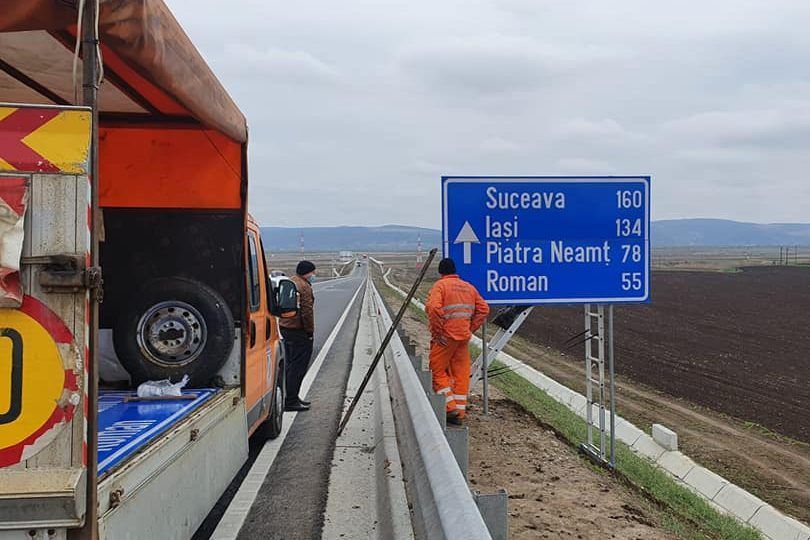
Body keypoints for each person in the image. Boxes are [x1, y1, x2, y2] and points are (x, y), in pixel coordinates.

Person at [425, 258, 489, 425]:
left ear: (440, 272)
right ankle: (459, 412)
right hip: (462, 338)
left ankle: (450, 408)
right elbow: (484, 309)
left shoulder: (440, 286)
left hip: (445, 338)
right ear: (455, 271)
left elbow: (433, 308)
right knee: (461, 374)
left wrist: (438, 333)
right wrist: (470, 328)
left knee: (437, 371)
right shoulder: (468, 287)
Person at [279, 260, 317, 411]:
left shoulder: (290, 282)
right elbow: (307, 312)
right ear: (307, 272)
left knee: (290, 366)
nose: (313, 275)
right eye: (312, 272)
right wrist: (309, 331)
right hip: (298, 330)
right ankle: (292, 400)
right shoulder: (304, 287)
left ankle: (290, 397)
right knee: (298, 367)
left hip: (285, 327)